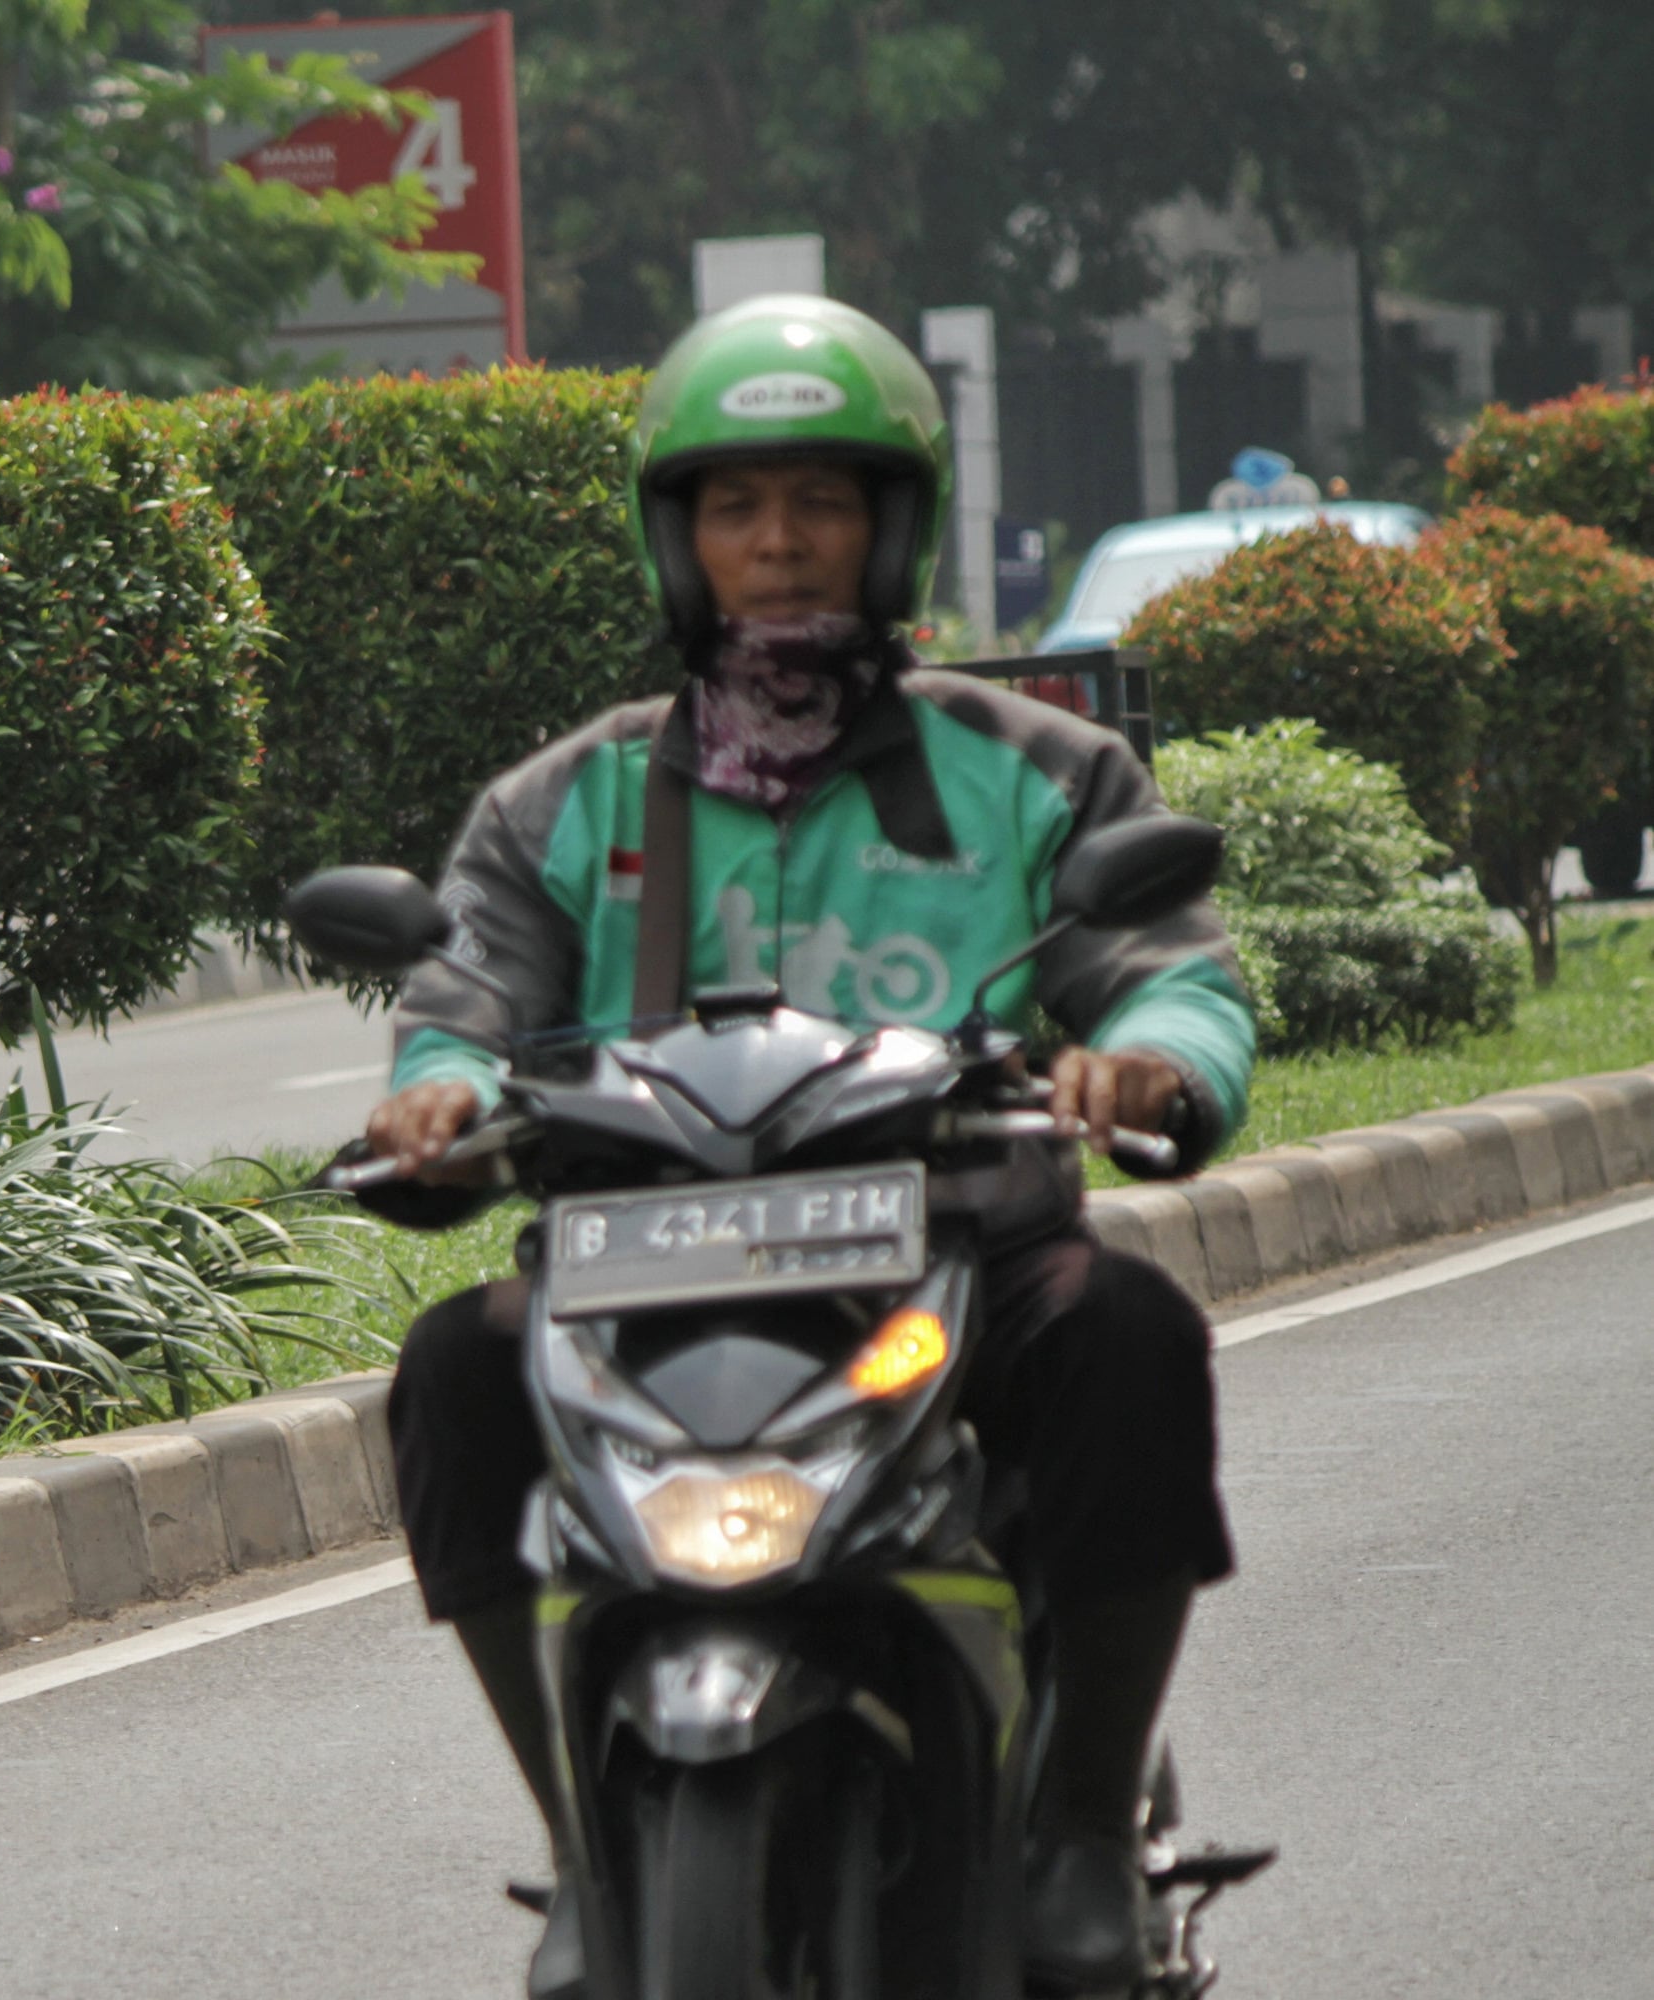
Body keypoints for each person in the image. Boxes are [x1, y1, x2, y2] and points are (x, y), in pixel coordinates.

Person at [367, 296, 1253, 2000]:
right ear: (680, 540)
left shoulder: (1040, 771)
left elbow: (1173, 972)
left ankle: (1077, 1834)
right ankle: (576, 1842)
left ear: (892, 526)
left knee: (1134, 1335)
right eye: (735, 508)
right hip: (641, 1276)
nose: (778, 547)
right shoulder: (569, 801)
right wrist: (435, 1096)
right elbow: (465, 997)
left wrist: (1145, 1066)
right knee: (453, 1372)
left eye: (821, 505)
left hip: (952, 1262)